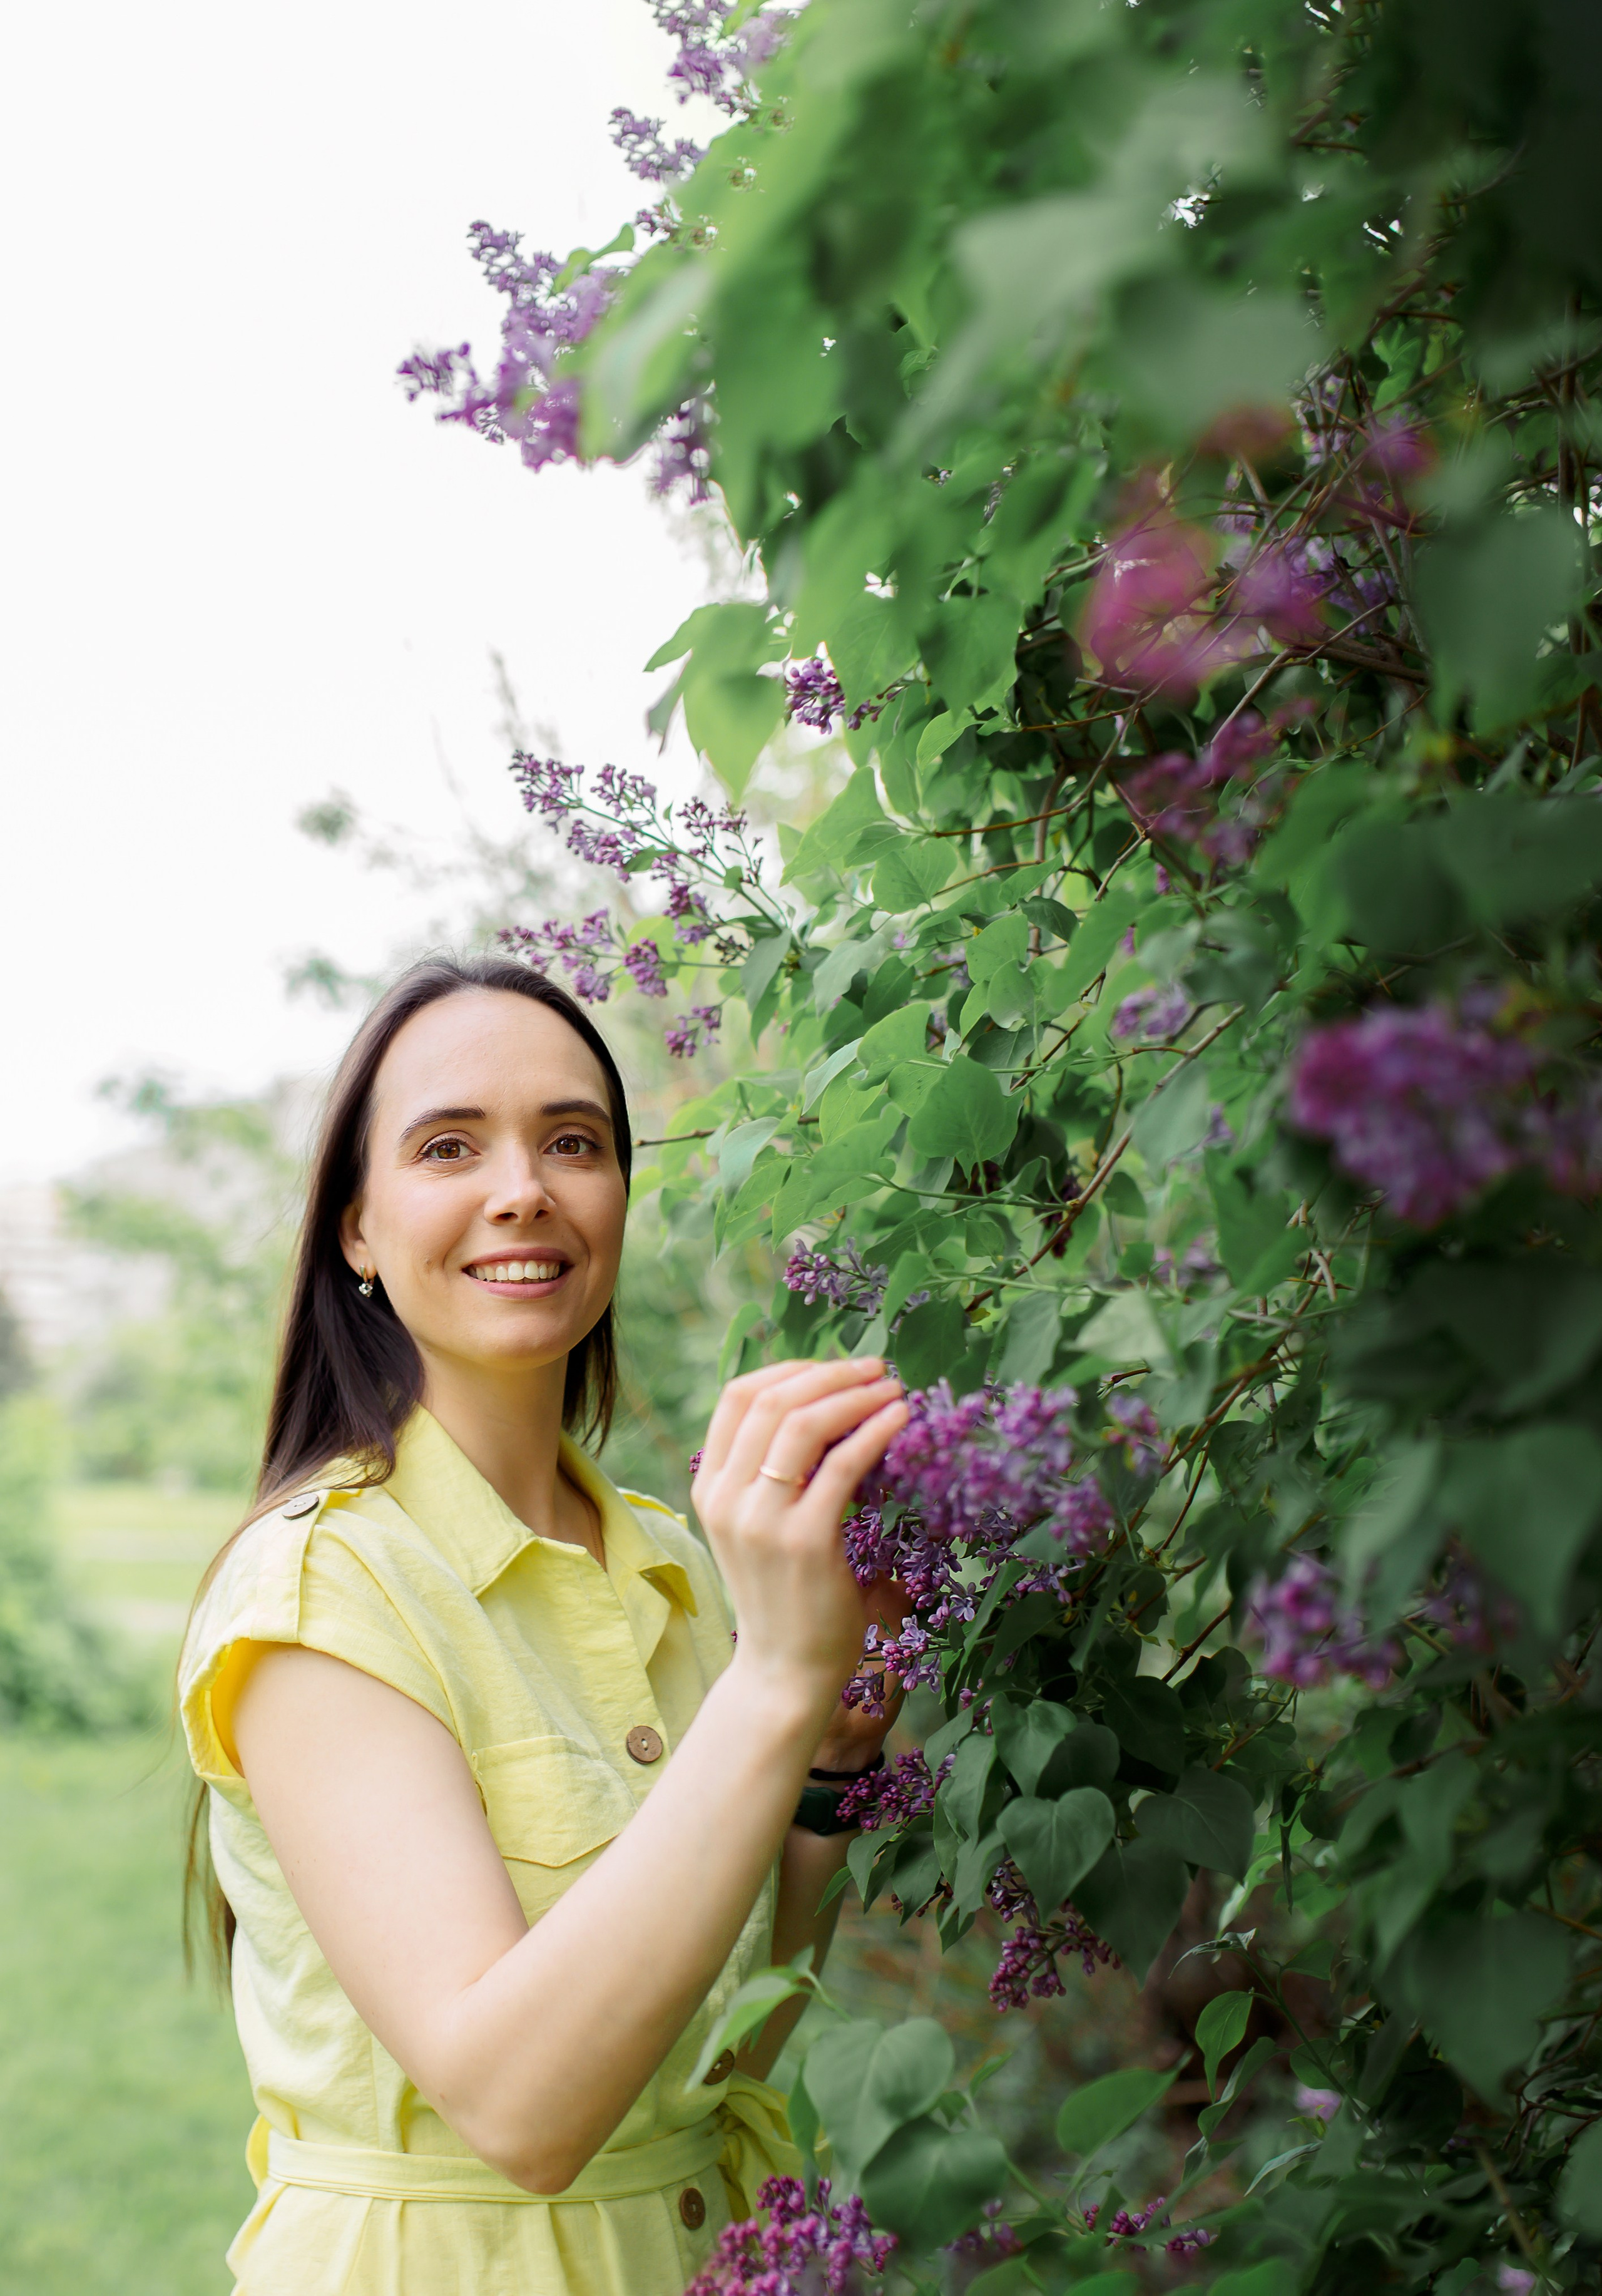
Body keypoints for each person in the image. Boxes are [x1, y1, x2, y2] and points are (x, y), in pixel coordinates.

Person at [178, 954, 909, 2295]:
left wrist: (832, 1749)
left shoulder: (676, 1568)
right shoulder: (321, 1590)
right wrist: (777, 1678)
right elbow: (523, 2109)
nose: (524, 1185)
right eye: (449, 1145)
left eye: (572, 1142)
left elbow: (716, 2046)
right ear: (356, 1227)